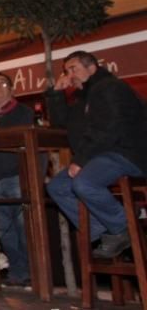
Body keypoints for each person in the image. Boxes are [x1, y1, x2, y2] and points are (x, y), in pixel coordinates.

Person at [46, 51, 147, 259]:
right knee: (57, 187)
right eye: (66, 71)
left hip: (126, 152)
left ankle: (124, 226)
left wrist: (81, 160)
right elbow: (60, 122)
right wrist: (56, 93)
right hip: (101, 154)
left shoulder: (109, 87)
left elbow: (107, 128)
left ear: (92, 67)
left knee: (84, 184)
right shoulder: (83, 97)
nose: (69, 75)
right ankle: (106, 231)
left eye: (73, 69)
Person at [0, 72, 35, 287]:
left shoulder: (23, 112)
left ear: (12, 88)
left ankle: (33, 270)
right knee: (3, 228)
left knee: (24, 225)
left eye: (2, 83)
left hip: (15, 174)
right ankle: (17, 270)